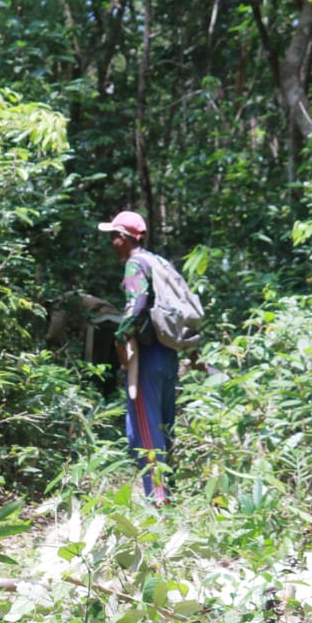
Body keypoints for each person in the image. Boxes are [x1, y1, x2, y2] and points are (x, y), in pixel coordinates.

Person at [99, 209, 177, 506]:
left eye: (113, 237)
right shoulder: (159, 262)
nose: (111, 244)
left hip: (147, 355)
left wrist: (120, 339)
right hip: (168, 354)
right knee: (163, 426)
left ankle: (158, 499)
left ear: (124, 238)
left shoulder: (135, 264)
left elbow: (137, 304)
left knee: (143, 431)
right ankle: (168, 492)